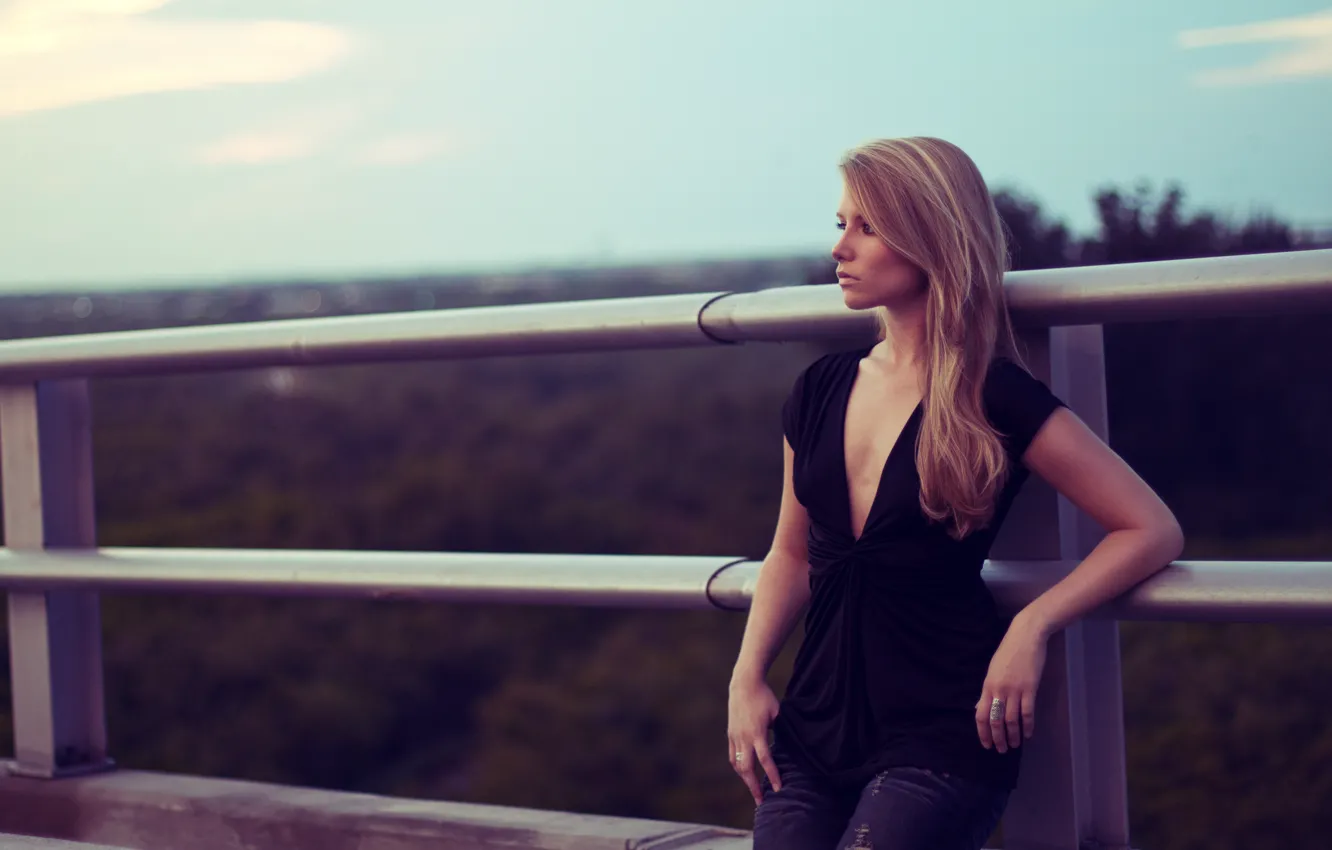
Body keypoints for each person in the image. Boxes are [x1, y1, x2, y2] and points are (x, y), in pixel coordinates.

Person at [727, 137, 1184, 850]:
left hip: (941, 734)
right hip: (812, 734)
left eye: (865, 227)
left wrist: (1032, 626)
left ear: (928, 236)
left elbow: (1149, 528)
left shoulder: (991, 396)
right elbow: (791, 553)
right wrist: (746, 678)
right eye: (840, 223)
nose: (839, 249)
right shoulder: (819, 389)